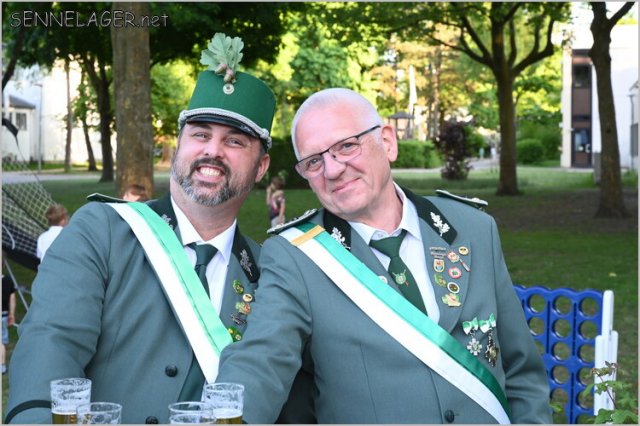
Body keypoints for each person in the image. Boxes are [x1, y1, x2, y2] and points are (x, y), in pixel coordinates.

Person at [6, 34, 312, 424]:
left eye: (235, 141)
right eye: (200, 134)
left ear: (261, 167)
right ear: (179, 144)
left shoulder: (269, 272)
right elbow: (52, 343)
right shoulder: (101, 232)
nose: (212, 151)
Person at [216, 88, 551, 423]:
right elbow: (261, 358)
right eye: (313, 161)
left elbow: (522, 372)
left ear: (388, 142)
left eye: (346, 146)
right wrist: (223, 415)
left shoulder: (473, 228)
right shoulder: (297, 255)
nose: (332, 170)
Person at [2, 272, 16, 375]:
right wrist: (11, 314)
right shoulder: (7, 280)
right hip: (3, 315)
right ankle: (2, 366)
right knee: (1, 342)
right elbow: (12, 298)